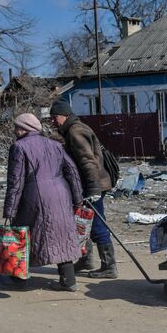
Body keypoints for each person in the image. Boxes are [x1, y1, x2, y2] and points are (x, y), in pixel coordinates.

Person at [2, 113, 83, 292]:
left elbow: (16, 181)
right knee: (62, 235)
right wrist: (77, 198)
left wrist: (9, 211)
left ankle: (19, 278)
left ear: (24, 128)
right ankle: (68, 280)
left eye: (16, 127)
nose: (14, 131)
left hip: (34, 195)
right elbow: (72, 172)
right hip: (61, 195)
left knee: (23, 233)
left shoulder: (19, 147)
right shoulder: (56, 145)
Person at [50, 99, 117, 279]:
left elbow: (88, 161)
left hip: (93, 185)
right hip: (89, 185)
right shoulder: (75, 129)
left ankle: (109, 266)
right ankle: (86, 260)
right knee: (82, 224)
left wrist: (94, 189)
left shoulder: (76, 131)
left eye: (54, 118)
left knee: (96, 225)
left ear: (62, 116)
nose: (53, 122)